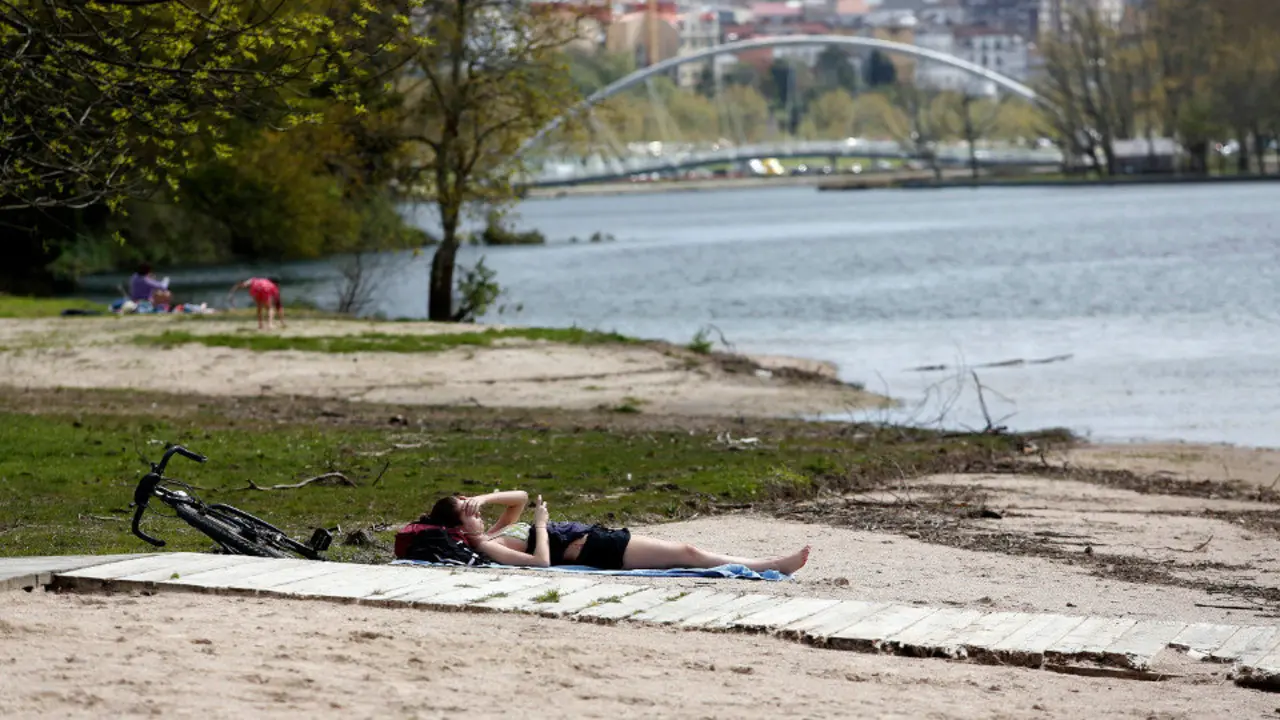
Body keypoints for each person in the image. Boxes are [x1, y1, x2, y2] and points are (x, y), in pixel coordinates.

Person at [414, 490, 810, 574]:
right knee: (687, 552)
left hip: (592, 540)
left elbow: (515, 498)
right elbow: (541, 562)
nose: (478, 514)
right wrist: (539, 522)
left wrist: (483, 498)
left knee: (686, 551)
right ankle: (769, 565)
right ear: (459, 528)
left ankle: (763, 564)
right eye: (470, 512)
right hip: (595, 550)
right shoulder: (487, 543)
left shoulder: (489, 530)